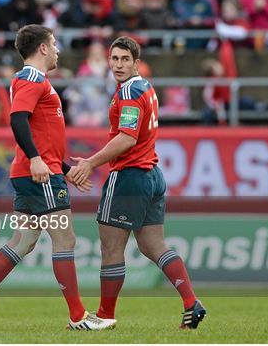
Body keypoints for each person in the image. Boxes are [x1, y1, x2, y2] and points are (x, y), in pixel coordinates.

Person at [0, 24, 116, 332]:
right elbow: (17, 118)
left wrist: (64, 170)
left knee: (24, 239)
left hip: (37, 171)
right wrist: (36, 160)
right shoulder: (32, 77)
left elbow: (41, 134)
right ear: (42, 48)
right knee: (65, 238)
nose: (57, 49)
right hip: (38, 174)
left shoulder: (35, 80)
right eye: (54, 44)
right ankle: (78, 317)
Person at [70, 36, 206, 329]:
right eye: (114, 59)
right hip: (152, 174)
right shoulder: (144, 87)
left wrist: (90, 162)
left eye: (124, 59)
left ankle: (105, 315)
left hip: (130, 176)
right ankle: (191, 303)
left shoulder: (130, 91)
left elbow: (127, 137)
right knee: (153, 245)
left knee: (111, 247)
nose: (118, 65)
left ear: (136, 62)